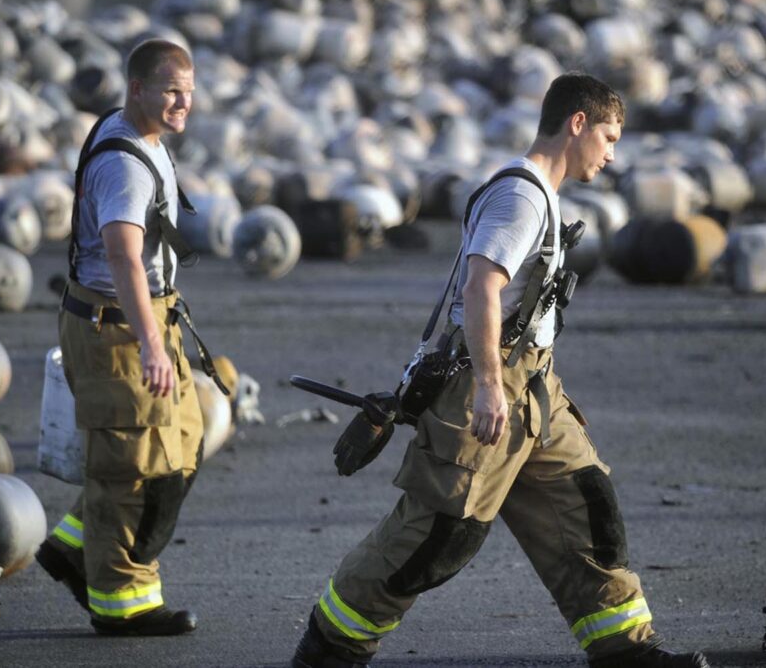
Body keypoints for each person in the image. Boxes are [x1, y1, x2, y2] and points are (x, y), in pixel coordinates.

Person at [292, 74, 712, 668]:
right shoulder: (522, 196)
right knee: (434, 538)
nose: (613, 153)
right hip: (486, 387)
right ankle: (330, 648)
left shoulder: (541, 189)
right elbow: (483, 286)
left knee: (586, 509)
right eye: (609, 136)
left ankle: (625, 650)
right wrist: (490, 384)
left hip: (536, 389)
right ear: (577, 124)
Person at [34, 39, 204, 637]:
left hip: (148, 317)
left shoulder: (140, 133)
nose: (183, 102)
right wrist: (151, 345)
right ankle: (122, 603)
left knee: (182, 446)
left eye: (188, 90)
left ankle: (72, 547)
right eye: (169, 91)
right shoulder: (126, 164)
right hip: (119, 329)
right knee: (131, 469)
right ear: (136, 89)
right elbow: (124, 256)